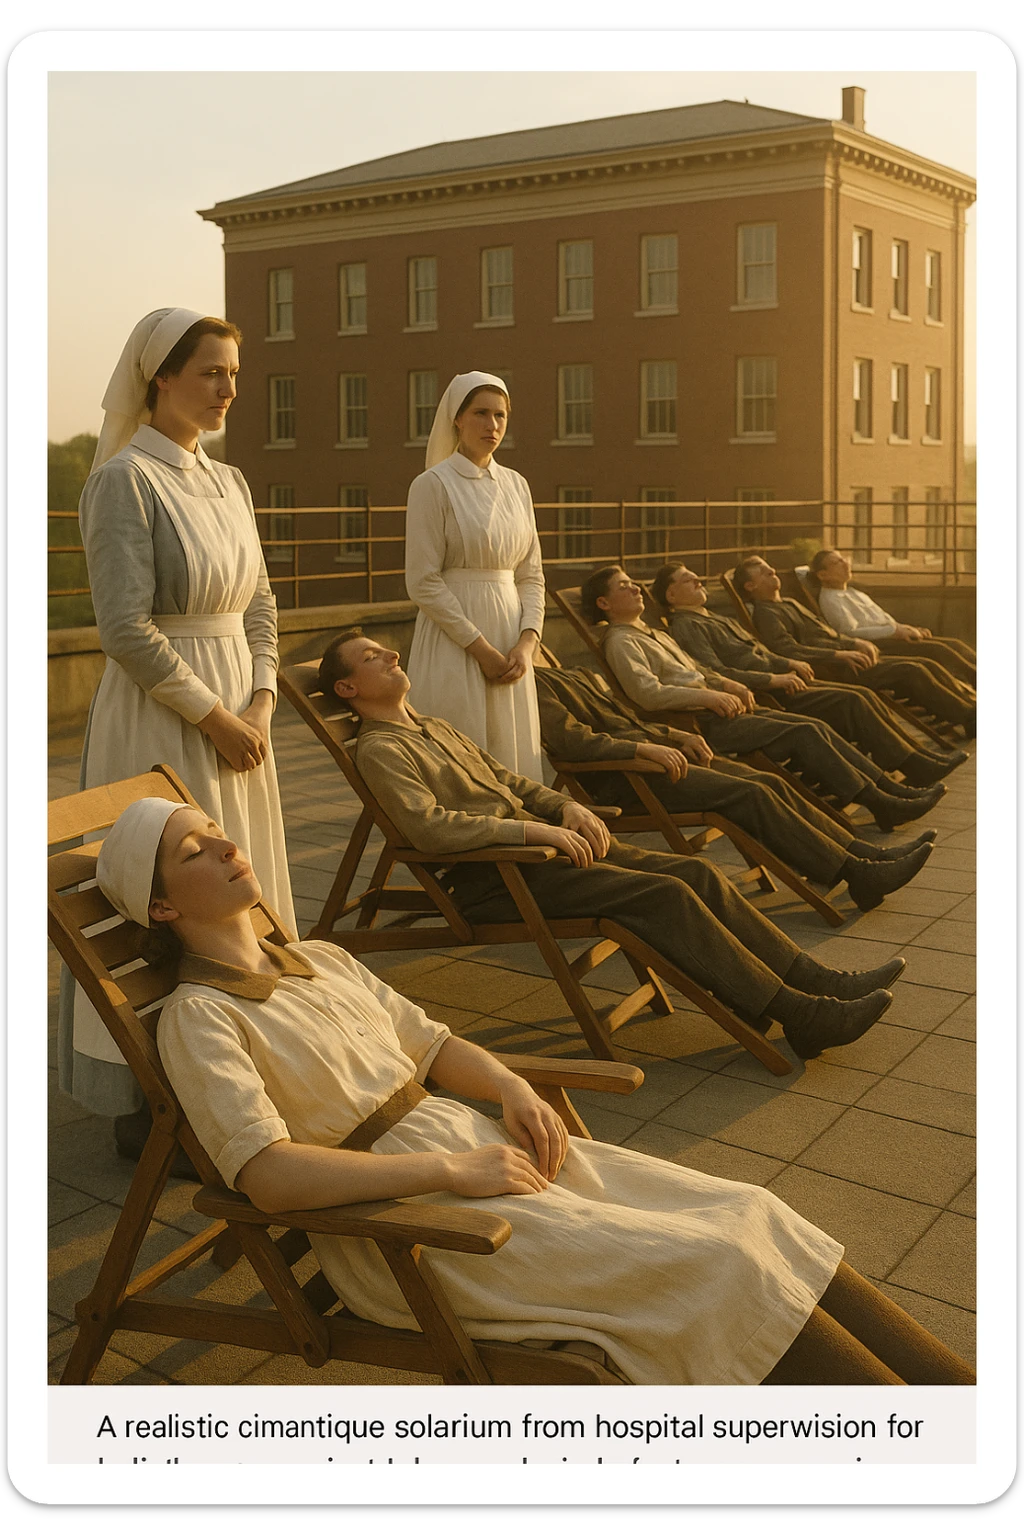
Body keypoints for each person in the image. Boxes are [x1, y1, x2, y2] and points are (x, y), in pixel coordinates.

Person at [94, 795, 975, 1386]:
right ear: (162, 908)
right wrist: (449, 1172)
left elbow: (435, 1045)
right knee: (719, 1268)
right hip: (417, 1229)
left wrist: (512, 1085)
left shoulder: (320, 959)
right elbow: (269, 1178)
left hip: (487, 1159)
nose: (226, 845)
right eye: (193, 851)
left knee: (751, 1213)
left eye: (218, 830)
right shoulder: (200, 1018)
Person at [321, 628, 916, 1062]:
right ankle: (800, 1014)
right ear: (348, 687)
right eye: (373, 657)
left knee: (697, 874)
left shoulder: (434, 727)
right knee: (666, 897)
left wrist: (566, 807)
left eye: (386, 649)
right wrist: (534, 830)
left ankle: (816, 981)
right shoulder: (381, 749)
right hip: (501, 874)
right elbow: (429, 827)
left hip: (548, 853)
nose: (392, 655)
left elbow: (511, 782)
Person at [60, 307, 296, 1144]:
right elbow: (124, 629)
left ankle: (249, 1068)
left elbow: (260, 603)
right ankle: (158, 1098)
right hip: (164, 716)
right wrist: (215, 715)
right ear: (160, 378)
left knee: (236, 883)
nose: (227, 388)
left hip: (239, 708)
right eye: (210, 372)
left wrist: (260, 699)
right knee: (169, 896)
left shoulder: (230, 482)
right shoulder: (123, 479)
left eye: (234, 373)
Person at [533, 656, 935, 912]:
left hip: (658, 757)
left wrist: (673, 735)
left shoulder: (572, 671)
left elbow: (628, 718)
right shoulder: (535, 683)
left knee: (767, 781)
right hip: (630, 777)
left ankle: (862, 856)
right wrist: (643, 748)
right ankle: (856, 873)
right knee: (753, 793)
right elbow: (573, 741)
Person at [582, 566, 948, 833]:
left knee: (814, 725)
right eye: (624, 586)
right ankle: (881, 800)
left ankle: (885, 793)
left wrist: (726, 683)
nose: (636, 588)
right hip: (699, 720)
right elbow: (647, 694)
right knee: (806, 731)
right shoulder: (621, 641)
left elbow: (700, 668)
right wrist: (710, 693)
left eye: (634, 583)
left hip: (722, 706)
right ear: (604, 603)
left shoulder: (652, 633)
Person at [651, 562, 968, 786]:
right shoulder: (687, 625)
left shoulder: (716, 618)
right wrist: (776, 677)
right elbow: (715, 671)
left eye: (697, 577)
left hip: (786, 679)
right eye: (688, 580)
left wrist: (787, 664)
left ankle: (909, 763)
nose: (698, 581)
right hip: (770, 691)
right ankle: (906, 767)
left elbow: (766, 653)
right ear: (671, 596)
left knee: (862, 696)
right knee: (857, 699)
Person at [404, 371, 545, 780]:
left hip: (511, 641)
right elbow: (423, 581)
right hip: (457, 642)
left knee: (511, 754)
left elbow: (531, 574)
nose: (492, 425)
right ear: (457, 418)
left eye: (500, 415)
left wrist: (527, 643)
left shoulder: (517, 486)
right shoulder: (432, 485)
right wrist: (480, 649)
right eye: (481, 413)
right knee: (463, 753)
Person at [734, 556, 976, 736]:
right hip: (834, 667)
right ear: (750, 587)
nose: (772, 571)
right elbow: (787, 649)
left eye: (770, 567)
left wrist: (854, 642)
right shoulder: (766, 614)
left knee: (923, 663)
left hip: (849, 655)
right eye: (763, 572)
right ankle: (968, 717)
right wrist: (838, 654)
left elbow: (826, 631)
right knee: (912, 669)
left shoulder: (789, 602)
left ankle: (969, 710)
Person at [808, 549, 977, 687]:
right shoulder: (830, 600)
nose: (846, 563)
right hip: (879, 644)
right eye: (837, 563)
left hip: (892, 636)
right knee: (939, 650)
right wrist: (894, 631)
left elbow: (883, 619)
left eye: (843, 559)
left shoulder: (854, 593)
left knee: (955, 644)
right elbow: (849, 632)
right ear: (823, 575)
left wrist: (907, 628)